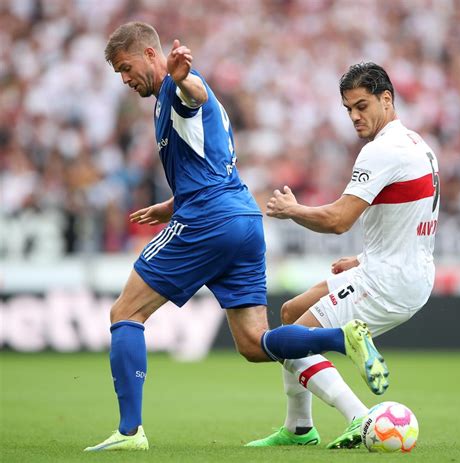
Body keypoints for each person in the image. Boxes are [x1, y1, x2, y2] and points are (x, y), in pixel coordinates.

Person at [84, 22, 386, 452]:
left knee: (125, 313)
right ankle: (343, 338)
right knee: (253, 344)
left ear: (150, 55)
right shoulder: (170, 101)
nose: (125, 78)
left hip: (207, 221)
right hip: (242, 219)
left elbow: (195, 94)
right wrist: (169, 204)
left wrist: (182, 76)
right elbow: (211, 164)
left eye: (126, 67)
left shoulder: (177, 89)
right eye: (118, 73)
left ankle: (130, 433)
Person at [246, 62, 440, 449]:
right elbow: (411, 218)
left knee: (289, 341)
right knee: (290, 314)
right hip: (400, 269)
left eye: (362, 105)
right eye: (348, 109)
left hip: (387, 281)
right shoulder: (419, 145)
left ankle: (359, 417)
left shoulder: (380, 151)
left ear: (387, 99)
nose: (354, 116)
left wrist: (293, 210)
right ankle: (299, 427)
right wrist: (365, 258)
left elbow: (338, 220)